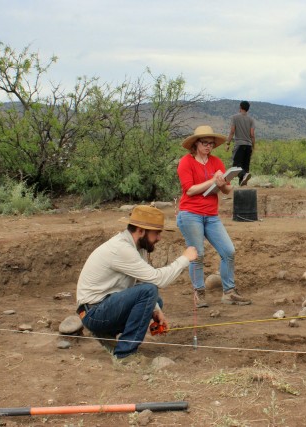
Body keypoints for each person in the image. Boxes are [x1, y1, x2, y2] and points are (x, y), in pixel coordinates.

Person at [76, 205, 197, 361]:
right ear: (141, 231)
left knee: (155, 300)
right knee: (149, 291)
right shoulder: (122, 249)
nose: (159, 238)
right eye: (156, 233)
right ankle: (125, 354)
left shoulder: (138, 248)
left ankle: (107, 334)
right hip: (94, 313)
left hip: (100, 307)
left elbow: (141, 280)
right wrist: (184, 259)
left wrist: (156, 310)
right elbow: (158, 280)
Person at [177, 125, 252, 308]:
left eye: (211, 143)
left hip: (211, 215)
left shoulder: (216, 162)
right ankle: (199, 293)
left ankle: (229, 292)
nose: (209, 146)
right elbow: (190, 190)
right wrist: (212, 181)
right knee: (198, 254)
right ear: (196, 143)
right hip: (190, 213)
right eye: (205, 143)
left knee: (228, 251)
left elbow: (226, 190)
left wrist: (223, 182)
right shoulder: (186, 162)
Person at [225, 100, 256, 186]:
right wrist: (253, 146)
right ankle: (242, 186)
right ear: (248, 109)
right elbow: (252, 135)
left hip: (239, 145)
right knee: (245, 167)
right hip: (249, 145)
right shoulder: (251, 120)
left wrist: (228, 144)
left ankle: (244, 176)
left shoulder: (235, 117)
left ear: (240, 107)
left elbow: (232, 132)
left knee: (236, 167)